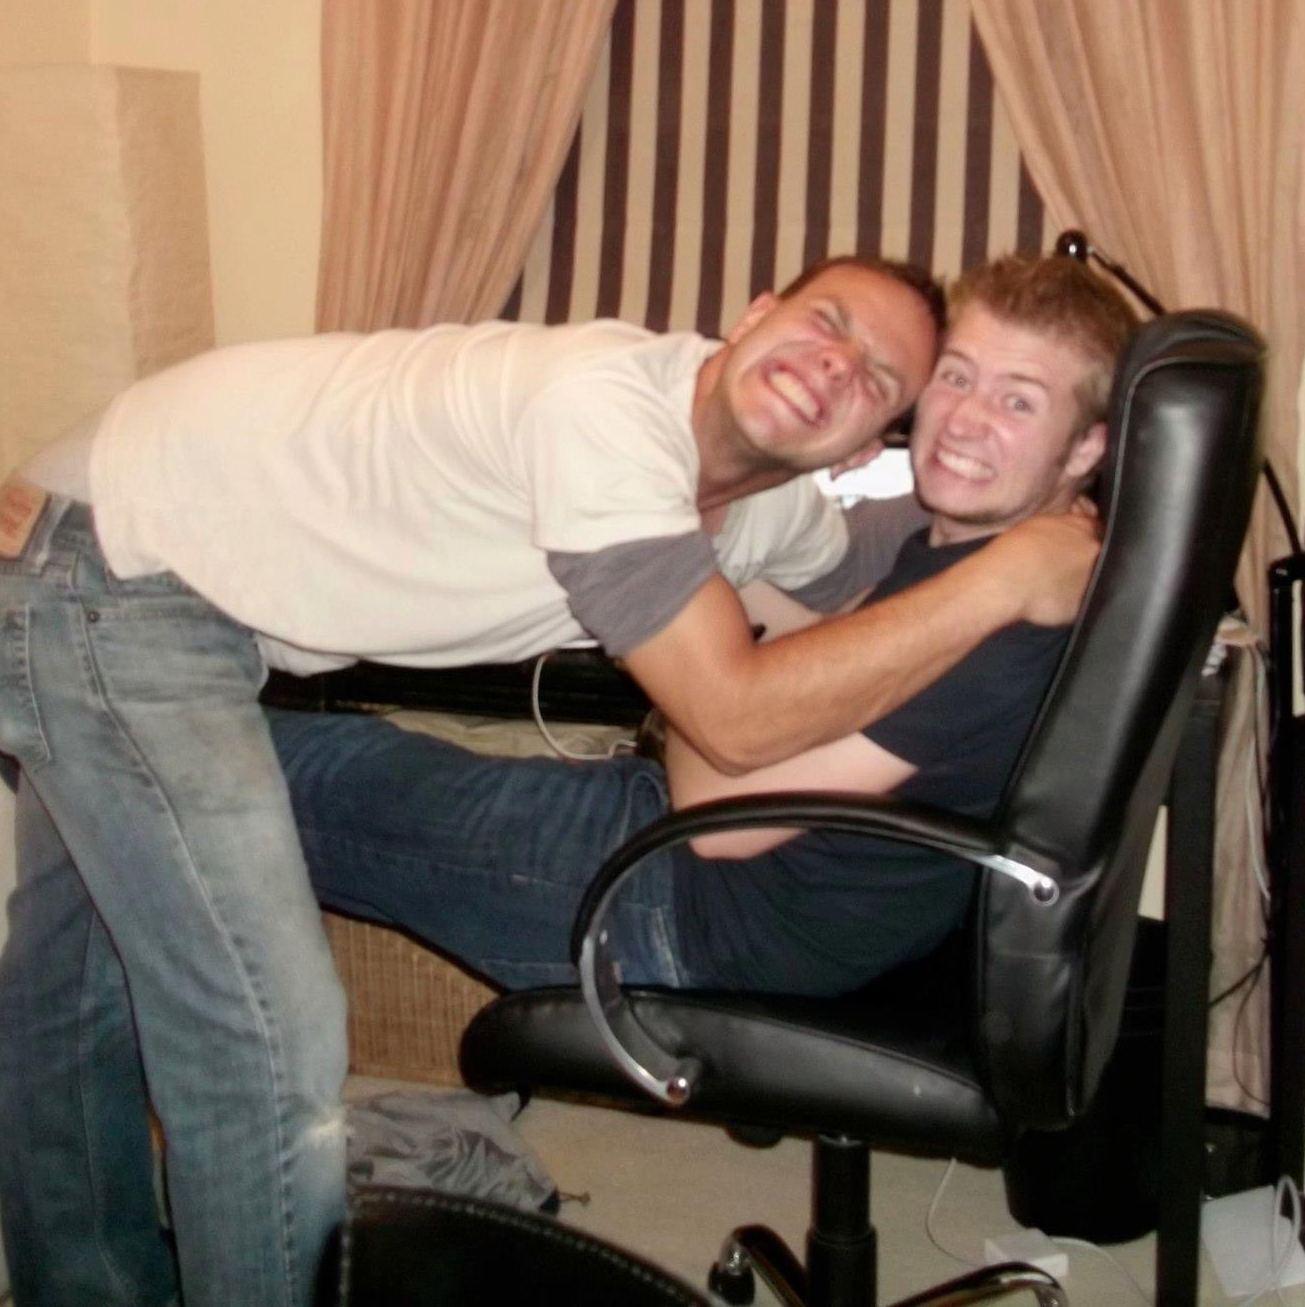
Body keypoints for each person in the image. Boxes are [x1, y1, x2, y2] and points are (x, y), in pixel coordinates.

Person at [0, 255, 1096, 1306]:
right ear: (757, 309)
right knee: (235, 1004)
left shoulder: (787, 509)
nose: (837, 369)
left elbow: (805, 627)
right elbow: (748, 697)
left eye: (883, 379)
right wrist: (1013, 562)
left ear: (868, 438)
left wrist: (1040, 544)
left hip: (670, 872)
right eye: (833, 327)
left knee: (155, 972)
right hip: (113, 560)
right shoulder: (603, 413)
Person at [271, 252, 1136, 998]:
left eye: (1018, 402)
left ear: (1086, 448)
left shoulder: (999, 609)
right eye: (956, 376)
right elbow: (818, 637)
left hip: (689, 909)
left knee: (305, 772)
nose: (966, 420)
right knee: (338, 761)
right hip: (711, 871)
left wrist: (716, 677)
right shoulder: (961, 554)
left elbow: (717, 803)